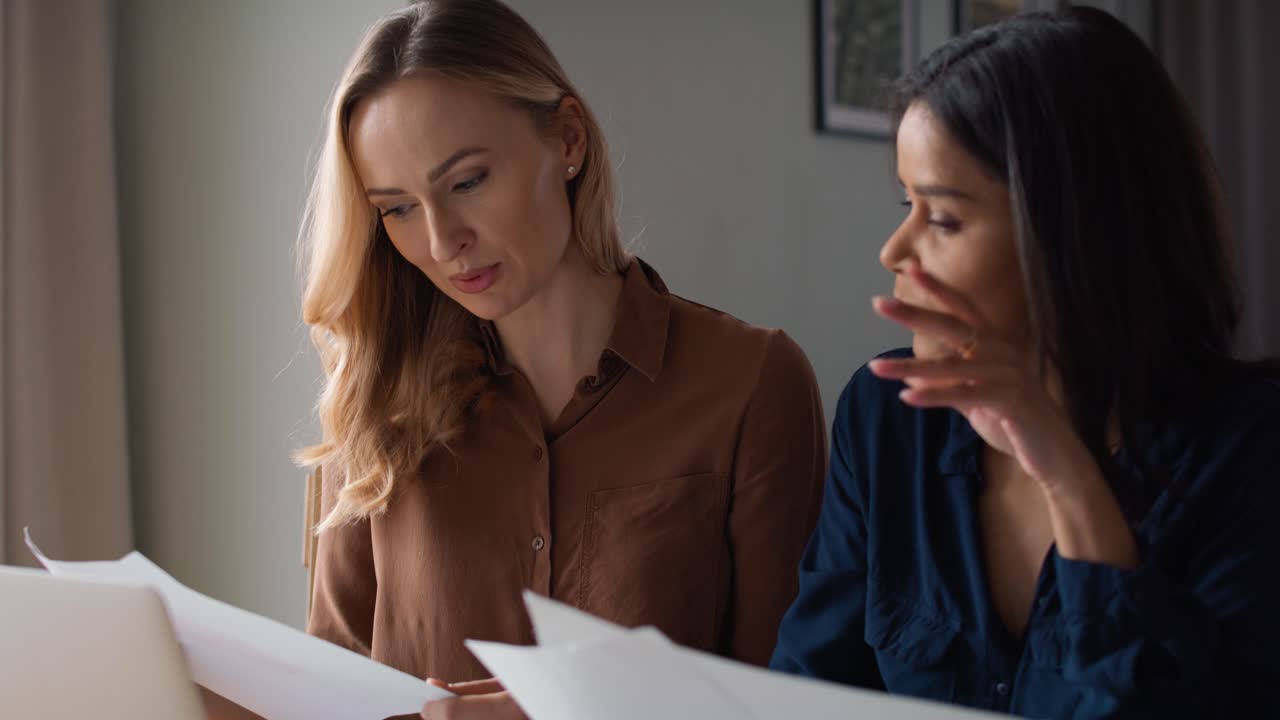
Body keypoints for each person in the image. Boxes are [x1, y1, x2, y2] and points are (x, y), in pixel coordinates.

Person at [289, 1, 824, 718]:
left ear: (567, 139)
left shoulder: (750, 384)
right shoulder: (375, 400)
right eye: (397, 209)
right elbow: (331, 688)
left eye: (467, 181)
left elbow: (786, 702)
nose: (443, 241)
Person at [770, 6, 1280, 718]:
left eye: (942, 218)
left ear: (1074, 234)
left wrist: (1070, 479)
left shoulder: (1252, 450)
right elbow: (806, 691)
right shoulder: (888, 416)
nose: (895, 250)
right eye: (904, 202)